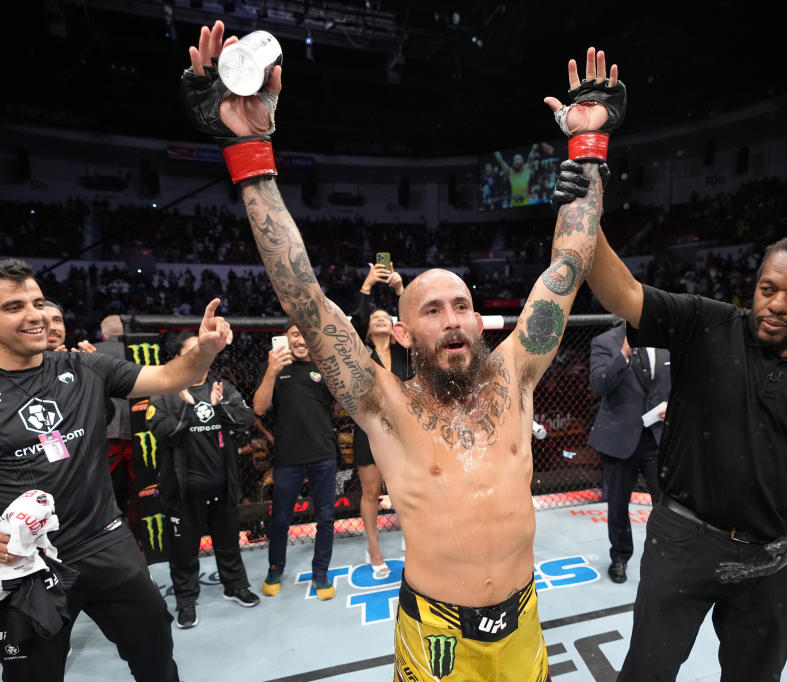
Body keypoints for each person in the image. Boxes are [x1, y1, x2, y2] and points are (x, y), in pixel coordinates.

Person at [180, 22, 623, 679]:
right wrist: (251, 152)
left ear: (481, 323)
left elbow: (568, 263)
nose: (452, 320)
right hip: (436, 633)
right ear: (404, 333)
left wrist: (588, 144)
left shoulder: (516, 375)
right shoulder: (385, 405)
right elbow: (306, 299)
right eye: (432, 309)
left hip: (524, 619)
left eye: (463, 306)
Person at [562, 187, 787, 679]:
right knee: (646, 672)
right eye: (767, 288)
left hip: (777, 552)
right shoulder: (709, 324)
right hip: (683, 539)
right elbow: (621, 290)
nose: (776, 305)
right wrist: (583, 207)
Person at [0, 257, 233, 681]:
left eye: (37, 302)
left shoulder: (84, 368)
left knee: (156, 655)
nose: (35, 315)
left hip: (104, 544)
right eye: (14, 307)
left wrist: (205, 350)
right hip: (29, 563)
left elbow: (168, 375)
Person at [147, 333, 259, 629]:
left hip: (222, 485)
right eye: (195, 349)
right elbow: (163, 434)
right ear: (180, 358)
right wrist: (186, 407)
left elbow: (245, 419)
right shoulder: (165, 393)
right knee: (183, 551)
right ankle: (185, 601)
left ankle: (235, 587)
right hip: (183, 492)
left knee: (228, 544)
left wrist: (219, 407)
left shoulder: (220, 387)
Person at [252, 322, 339, 600]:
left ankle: (321, 573)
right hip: (288, 458)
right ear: (285, 339)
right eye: (295, 334)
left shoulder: (324, 369)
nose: (301, 339)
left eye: (306, 334)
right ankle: (275, 569)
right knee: (280, 520)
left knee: (326, 518)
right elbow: (259, 407)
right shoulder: (276, 369)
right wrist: (272, 370)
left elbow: (339, 406)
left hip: (323, 455)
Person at [587, 322, 670, 584]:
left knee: (666, 505)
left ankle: (665, 557)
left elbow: (683, 382)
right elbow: (599, 384)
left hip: (658, 437)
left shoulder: (668, 340)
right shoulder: (605, 342)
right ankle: (620, 558)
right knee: (618, 505)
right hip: (620, 439)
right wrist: (623, 354)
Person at [350, 262, 412, 576]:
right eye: (375, 318)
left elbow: (413, 325)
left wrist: (401, 291)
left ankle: (412, 539)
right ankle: (373, 547)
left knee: (405, 488)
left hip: (402, 428)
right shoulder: (360, 353)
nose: (380, 320)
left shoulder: (404, 353)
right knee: (371, 491)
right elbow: (354, 322)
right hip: (369, 428)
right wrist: (368, 285)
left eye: (386, 317)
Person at [94, 314, 139, 538]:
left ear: (104, 334)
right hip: (138, 429)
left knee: (104, 489)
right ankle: (140, 539)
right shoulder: (139, 349)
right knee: (141, 490)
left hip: (104, 431)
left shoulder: (91, 352)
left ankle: (111, 537)